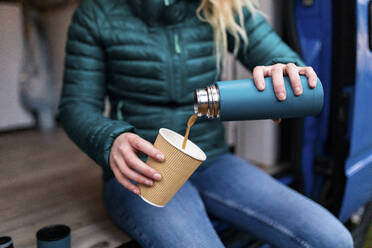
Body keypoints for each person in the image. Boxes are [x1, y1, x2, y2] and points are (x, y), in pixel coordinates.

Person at [59, 0, 354, 247]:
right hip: (141, 170)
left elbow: (278, 56)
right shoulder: (95, 13)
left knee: (333, 239)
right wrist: (110, 140)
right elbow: (76, 106)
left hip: (213, 161)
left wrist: (284, 69)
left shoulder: (222, 5)